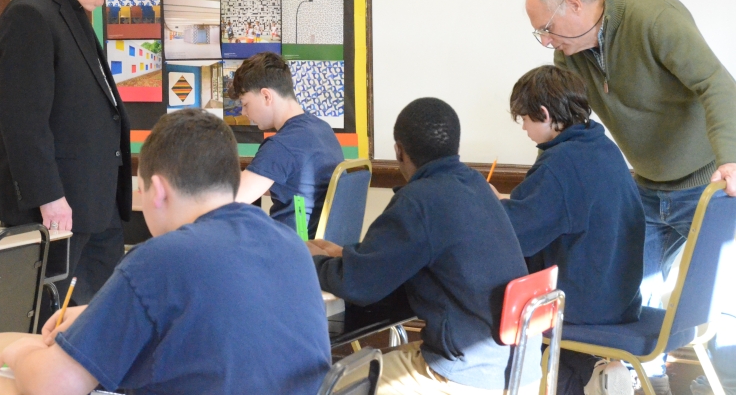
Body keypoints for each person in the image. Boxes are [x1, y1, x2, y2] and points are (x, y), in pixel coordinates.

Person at [0, 110, 332, 395]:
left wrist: (19, 349)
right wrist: (95, 314)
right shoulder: (289, 245)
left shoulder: (160, 258)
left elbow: (53, 385)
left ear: (156, 191)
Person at [525, 0, 736, 395]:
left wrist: (732, 159)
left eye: (547, 29)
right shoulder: (568, 56)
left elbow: (717, 84)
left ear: (574, 5)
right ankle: (642, 381)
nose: (546, 41)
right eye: (539, 34)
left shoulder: (654, 20)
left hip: (706, 182)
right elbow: (569, 129)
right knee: (628, 295)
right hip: (644, 185)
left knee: (717, 304)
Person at [308, 98, 541, 395]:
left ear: (398, 151)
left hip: (469, 375)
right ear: (455, 147)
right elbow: (419, 252)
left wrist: (306, 261)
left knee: (332, 385)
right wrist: (347, 254)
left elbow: (358, 284)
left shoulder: (418, 200)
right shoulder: (475, 184)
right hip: (520, 366)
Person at [0, 0, 132, 306]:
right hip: (59, 209)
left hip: (95, 202)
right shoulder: (31, 15)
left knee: (93, 318)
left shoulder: (71, 9)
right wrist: (49, 197)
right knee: (52, 318)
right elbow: (23, 121)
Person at [498, 65, 645, 395]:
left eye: (524, 118)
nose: (523, 127)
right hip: (619, 298)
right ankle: (602, 370)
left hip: (581, 305)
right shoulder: (602, 147)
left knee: (489, 288)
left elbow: (515, 234)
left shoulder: (560, 164)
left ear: (546, 114)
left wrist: (489, 205)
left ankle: (582, 379)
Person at [231, 52, 343, 236]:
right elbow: (287, 183)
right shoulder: (322, 129)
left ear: (266, 96)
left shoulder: (282, 145)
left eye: (245, 103)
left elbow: (232, 199)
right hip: (319, 248)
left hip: (290, 250)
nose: (243, 112)